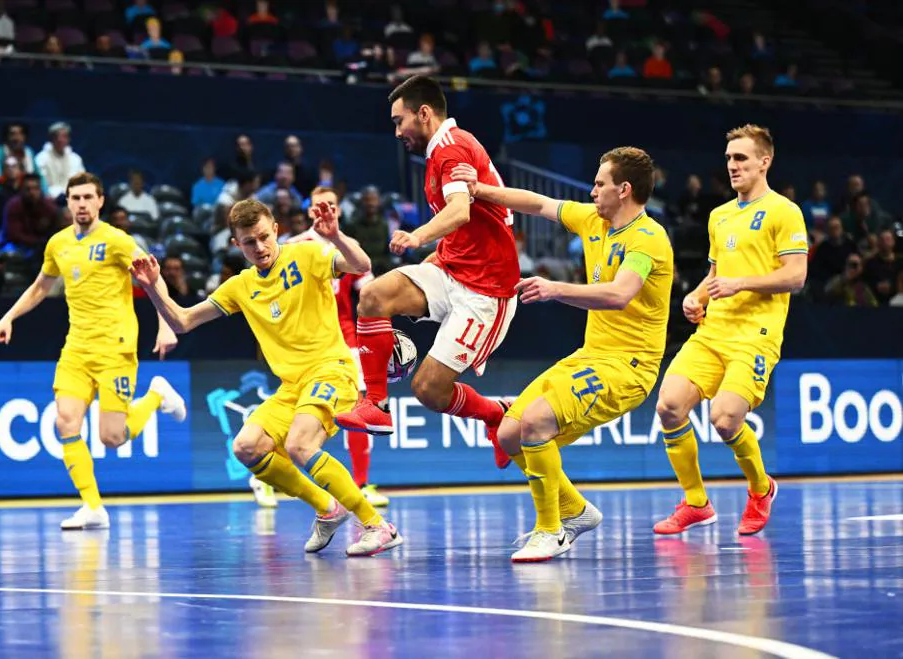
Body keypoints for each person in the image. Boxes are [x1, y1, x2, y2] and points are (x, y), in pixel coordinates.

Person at [129, 199, 402, 557]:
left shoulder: (306, 255)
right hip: (291, 387)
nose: (259, 247)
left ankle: (377, 525)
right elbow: (182, 321)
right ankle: (327, 508)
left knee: (299, 445)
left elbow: (361, 264)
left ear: (275, 228)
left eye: (262, 237)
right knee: (246, 447)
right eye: (248, 242)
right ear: (236, 245)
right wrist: (153, 286)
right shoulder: (240, 286)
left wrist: (335, 235)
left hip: (331, 369)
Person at [452, 147, 673, 562]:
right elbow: (538, 203)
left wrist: (554, 289)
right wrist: (479, 189)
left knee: (535, 422)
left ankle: (550, 530)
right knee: (508, 434)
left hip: (629, 366)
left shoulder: (648, 239)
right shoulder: (593, 221)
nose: (591, 192)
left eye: (599, 184)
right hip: (591, 355)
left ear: (624, 190)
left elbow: (620, 293)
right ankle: (576, 512)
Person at [337, 76, 519, 471]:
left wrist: (416, 236)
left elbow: (459, 212)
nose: (397, 131)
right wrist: (436, 253)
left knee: (428, 390)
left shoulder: (452, 149)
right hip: (451, 267)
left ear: (424, 114)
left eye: (399, 121)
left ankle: (496, 413)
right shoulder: (438, 153)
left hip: (487, 291)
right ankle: (377, 405)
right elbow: (464, 226)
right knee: (373, 297)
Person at [0, 172, 187, 530]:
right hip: (76, 349)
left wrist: (166, 324)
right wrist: (9, 317)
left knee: (112, 438)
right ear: (67, 202)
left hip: (116, 349)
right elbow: (39, 287)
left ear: (100, 202)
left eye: (87, 197)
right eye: (74, 198)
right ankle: (93, 507)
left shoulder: (117, 240)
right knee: (64, 421)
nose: (81, 204)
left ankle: (157, 396)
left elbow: (153, 277)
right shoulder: (58, 244)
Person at [654, 125, 808, 536]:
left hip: (755, 334)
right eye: (728, 159)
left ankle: (761, 489)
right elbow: (717, 274)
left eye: (740, 158)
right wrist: (697, 296)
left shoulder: (784, 211)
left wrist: (740, 284)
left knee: (724, 419)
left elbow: (796, 276)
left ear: (764, 161)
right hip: (712, 332)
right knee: (669, 407)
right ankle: (696, 502)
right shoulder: (719, 216)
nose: (732, 166)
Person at [249, 186, 390, 509]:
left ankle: (362, 483)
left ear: (339, 210)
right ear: (310, 211)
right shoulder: (293, 247)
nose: (325, 210)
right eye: (318, 206)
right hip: (306, 349)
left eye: (332, 205)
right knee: (299, 419)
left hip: (345, 340)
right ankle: (263, 474)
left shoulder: (348, 246)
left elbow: (369, 294)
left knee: (357, 408)